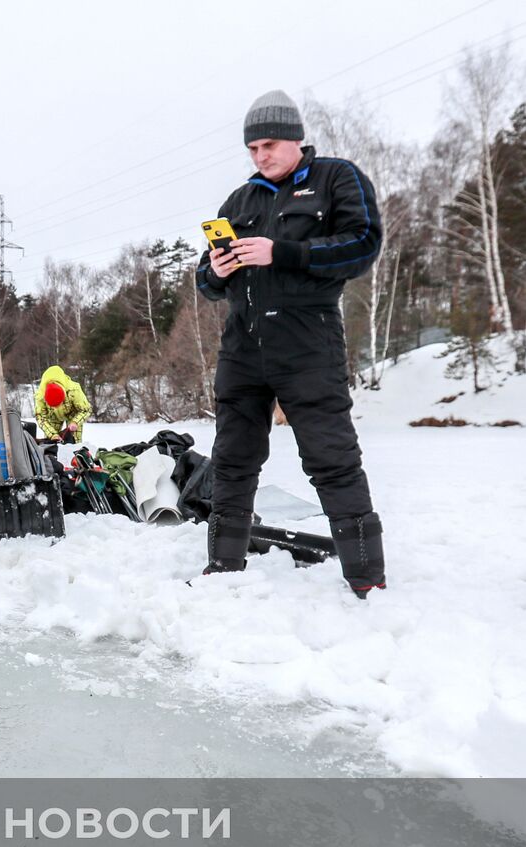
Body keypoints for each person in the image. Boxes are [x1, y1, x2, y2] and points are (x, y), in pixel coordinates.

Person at [195, 91, 386, 597]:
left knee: (331, 457)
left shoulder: (336, 178)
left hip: (307, 340)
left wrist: (283, 252)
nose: (261, 156)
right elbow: (204, 278)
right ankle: (223, 565)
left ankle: (367, 579)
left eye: (270, 144)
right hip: (243, 344)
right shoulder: (240, 200)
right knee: (233, 456)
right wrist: (214, 272)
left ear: (297, 139)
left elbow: (363, 242)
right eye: (253, 148)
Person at [34, 365, 92, 444]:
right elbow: (40, 417)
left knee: (74, 442)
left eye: (59, 404)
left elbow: (86, 409)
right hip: (53, 416)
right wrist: (52, 435)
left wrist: (75, 422)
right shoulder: (40, 396)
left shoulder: (74, 390)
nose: (58, 407)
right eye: (54, 406)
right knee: (51, 443)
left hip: (73, 413)